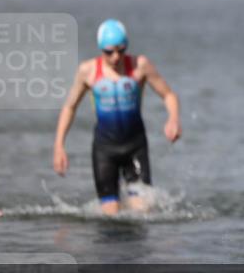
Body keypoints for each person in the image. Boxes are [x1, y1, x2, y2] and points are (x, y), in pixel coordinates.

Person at [53, 19, 181, 216]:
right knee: (111, 216)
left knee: (142, 213)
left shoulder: (140, 66)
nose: (115, 57)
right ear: (100, 49)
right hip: (105, 150)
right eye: (109, 52)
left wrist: (173, 118)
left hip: (135, 147)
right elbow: (70, 107)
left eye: (121, 50)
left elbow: (168, 94)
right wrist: (59, 146)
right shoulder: (87, 71)